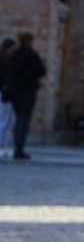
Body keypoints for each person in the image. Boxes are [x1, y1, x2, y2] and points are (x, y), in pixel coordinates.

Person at [6, 32, 46, 160]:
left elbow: (9, 72)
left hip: (15, 90)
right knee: (24, 118)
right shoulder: (32, 55)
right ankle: (19, 148)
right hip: (28, 90)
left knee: (19, 117)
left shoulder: (14, 55)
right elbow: (41, 71)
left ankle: (17, 146)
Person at [0, 37, 15, 160]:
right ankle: (2, 142)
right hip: (4, 91)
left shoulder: (7, 59)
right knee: (5, 118)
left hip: (5, 91)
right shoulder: (6, 60)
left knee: (7, 118)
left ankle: (4, 142)